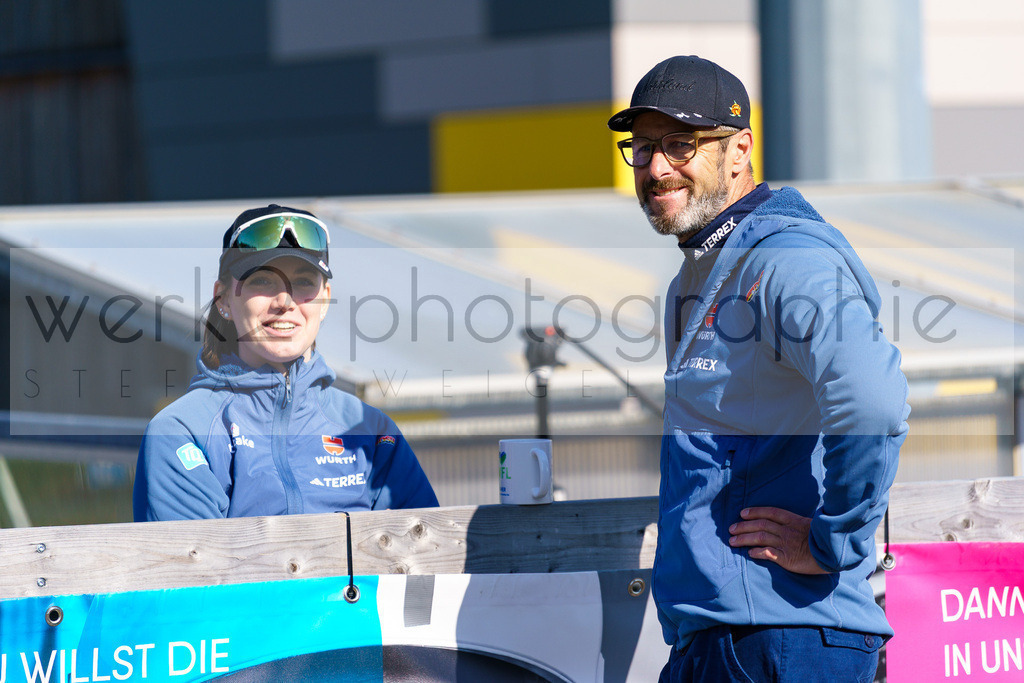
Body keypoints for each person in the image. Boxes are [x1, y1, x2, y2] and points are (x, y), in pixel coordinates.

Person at [609, 56, 909, 682]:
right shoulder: (696, 275)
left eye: (681, 144)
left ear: (740, 149)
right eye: (641, 148)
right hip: (720, 636)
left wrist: (836, 543)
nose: (657, 167)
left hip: (784, 638)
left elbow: (874, 403)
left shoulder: (787, 259)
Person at [134, 204, 438, 520]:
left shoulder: (373, 431)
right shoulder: (181, 431)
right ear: (223, 299)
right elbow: (195, 566)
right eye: (263, 281)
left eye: (304, 281)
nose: (285, 301)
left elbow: (425, 552)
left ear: (325, 299)